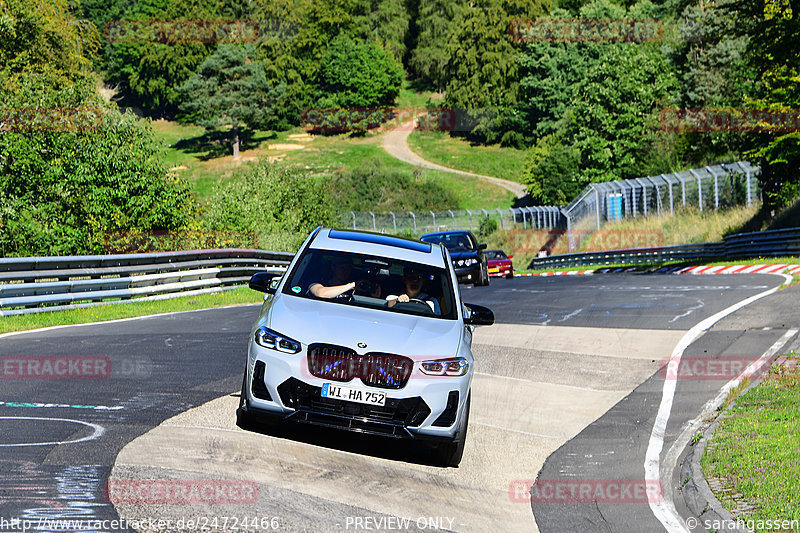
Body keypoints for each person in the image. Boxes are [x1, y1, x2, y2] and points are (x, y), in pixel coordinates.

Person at [309, 257, 379, 299]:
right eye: (341, 267)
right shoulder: (320, 282)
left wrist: (374, 296)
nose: (345, 271)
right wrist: (352, 285)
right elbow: (320, 293)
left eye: (348, 268)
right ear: (333, 268)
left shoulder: (359, 289)